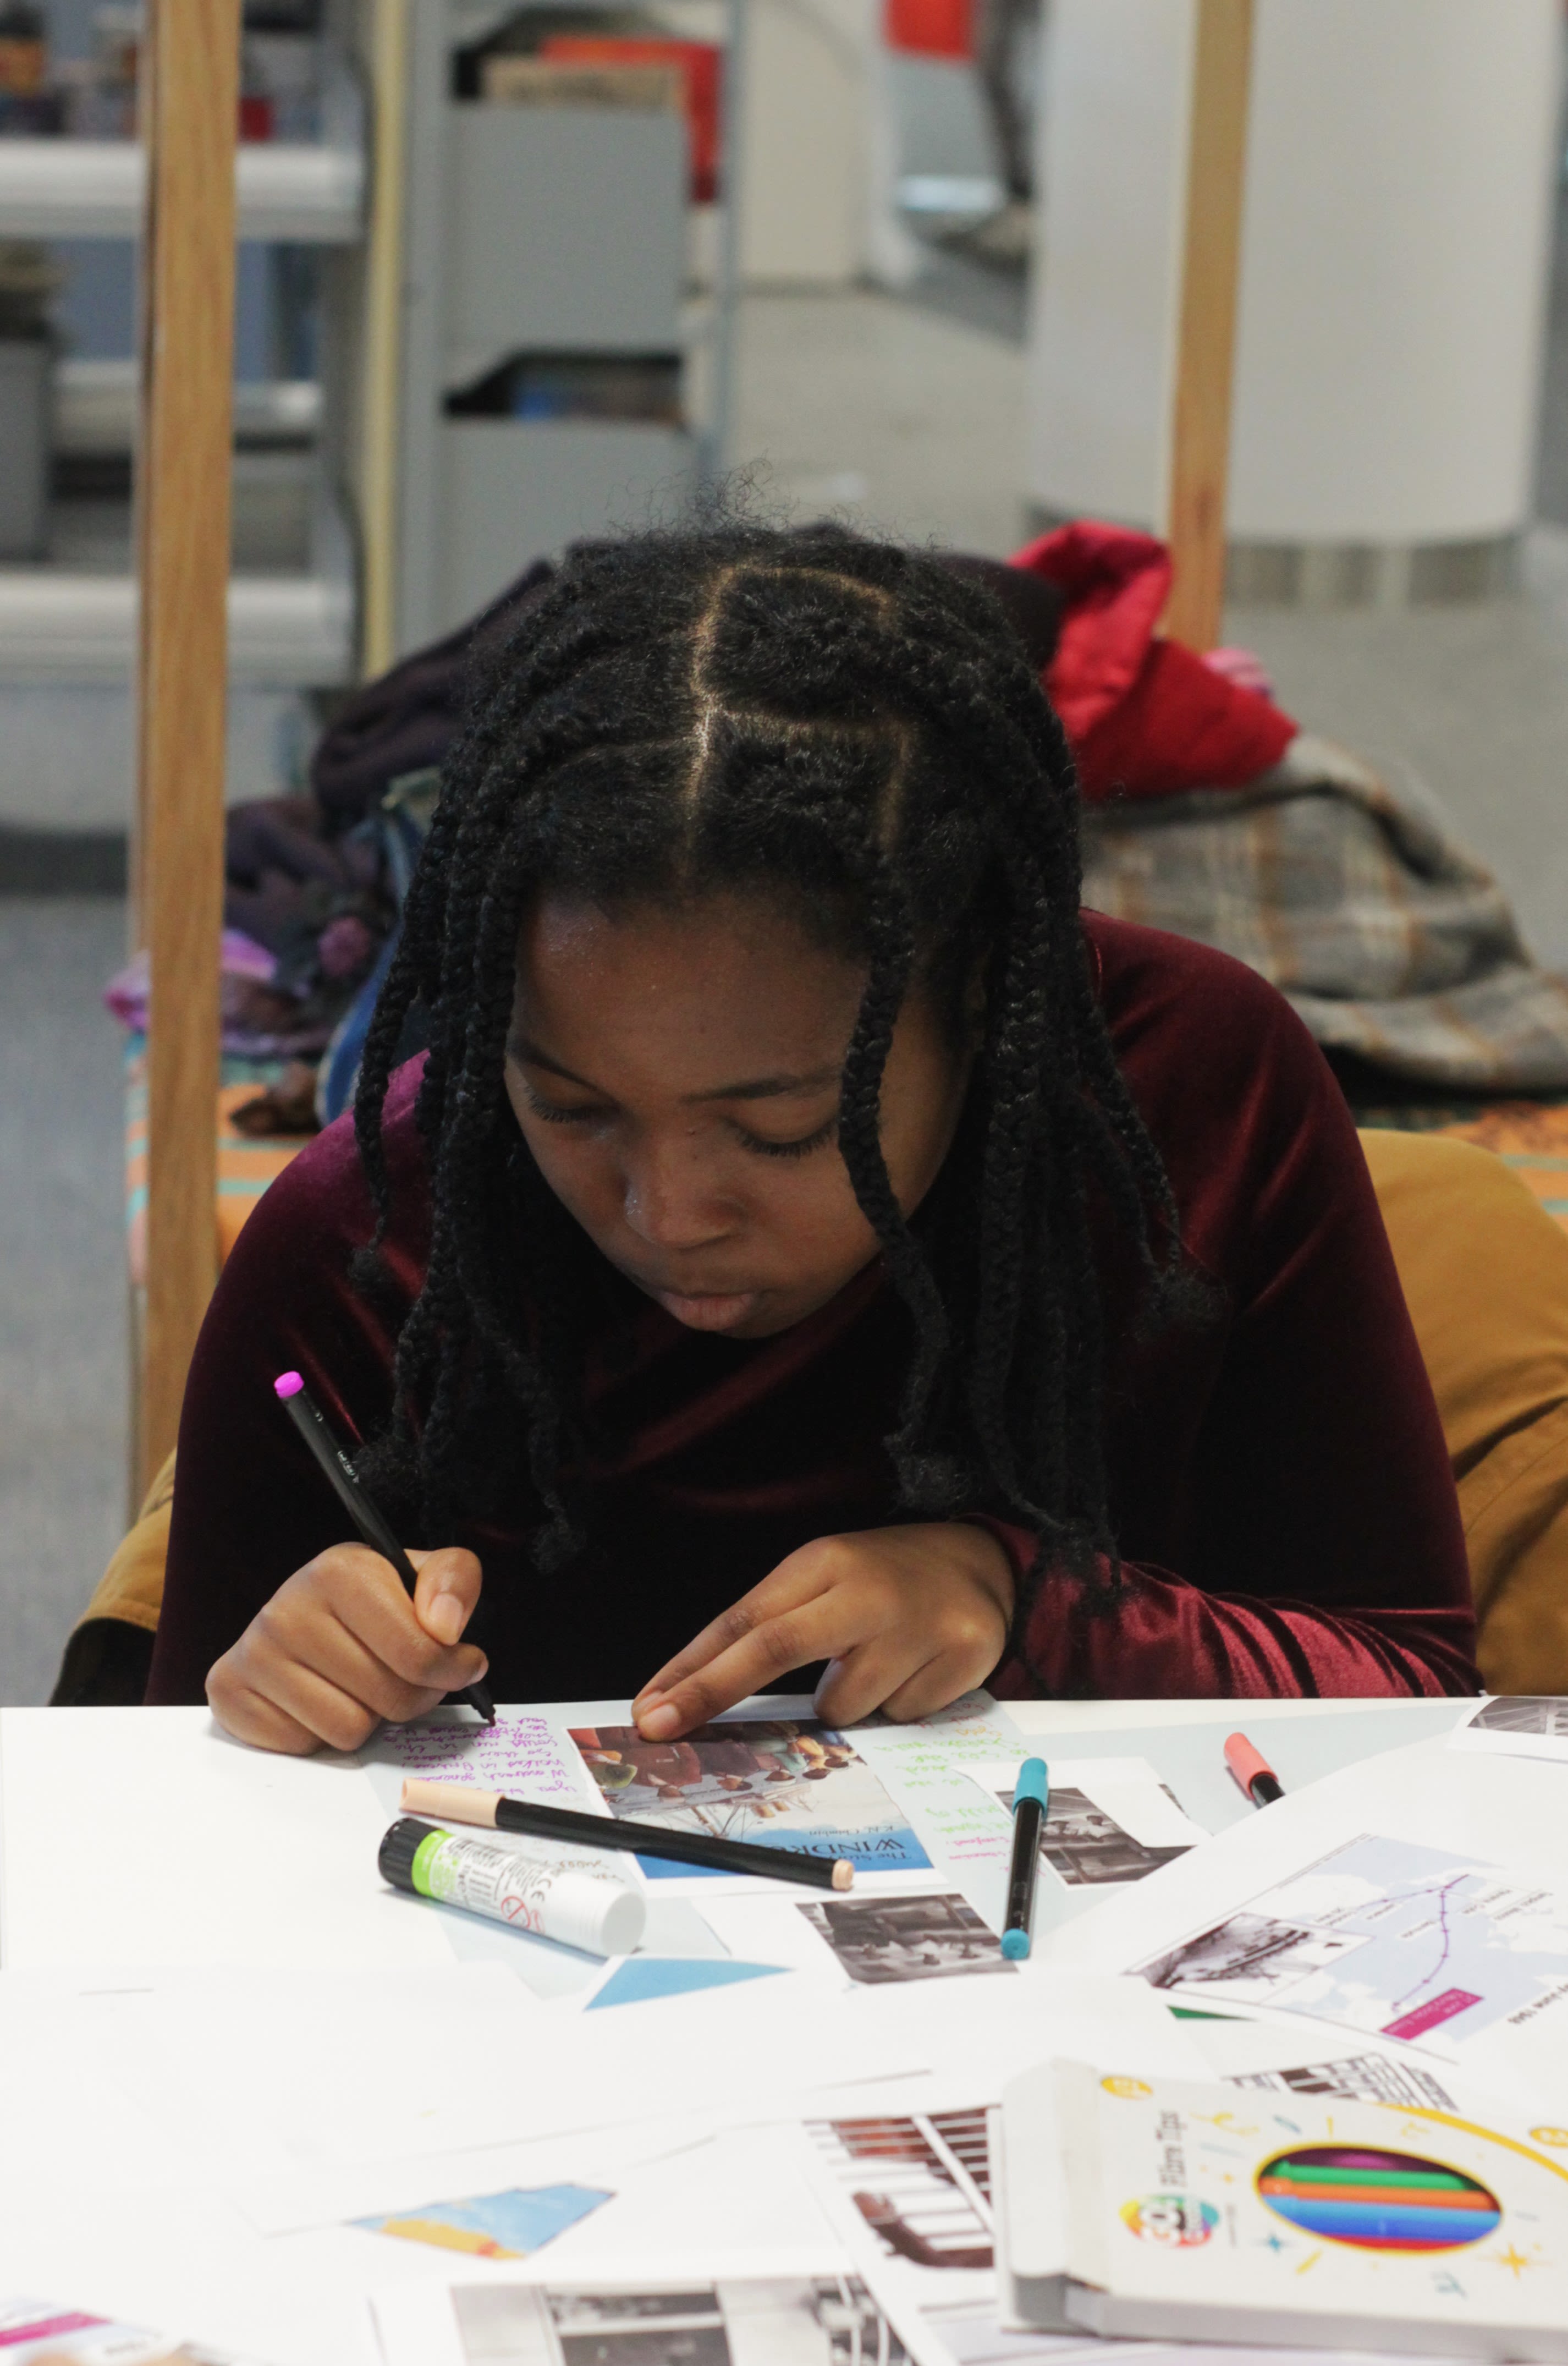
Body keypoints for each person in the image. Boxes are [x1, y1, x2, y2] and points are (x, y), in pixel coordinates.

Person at [145, 522, 1478, 1750]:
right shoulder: (373, 1235)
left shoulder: (1198, 1097)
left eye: (781, 1132)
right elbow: (164, 1815)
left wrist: (1025, 1599)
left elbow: (1418, 1688)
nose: (666, 1212)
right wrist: (276, 1682)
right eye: (569, 1106)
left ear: (979, 1013)